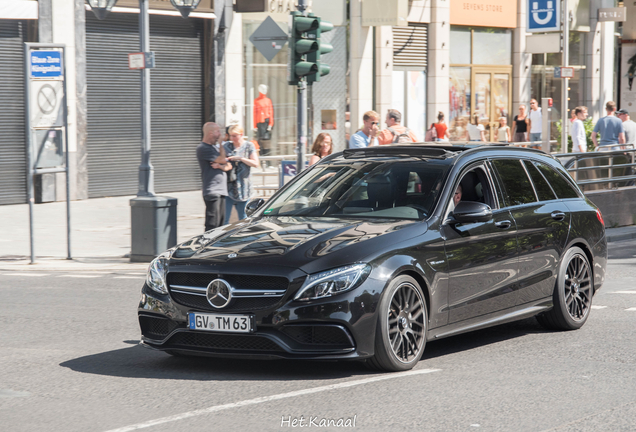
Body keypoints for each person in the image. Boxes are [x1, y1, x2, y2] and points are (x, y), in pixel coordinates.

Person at [197, 122, 231, 231]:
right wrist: (221, 145)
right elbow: (222, 160)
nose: (220, 134)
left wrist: (221, 167)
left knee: (221, 224)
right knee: (212, 223)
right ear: (211, 133)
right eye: (218, 131)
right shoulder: (203, 148)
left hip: (222, 190)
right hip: (212, 190)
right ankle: (206, 245)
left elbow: (228, 165)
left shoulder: (214, 148)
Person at [223, 125, 259, 222]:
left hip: (244, 188)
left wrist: (240, 158)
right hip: (228, 188)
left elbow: (256, 163)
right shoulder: (226, 146)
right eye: (230, 136)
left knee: (243, 219)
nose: (232, 138)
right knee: (224, 219)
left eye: (235, 135)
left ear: (241, 134)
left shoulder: (249, 146)